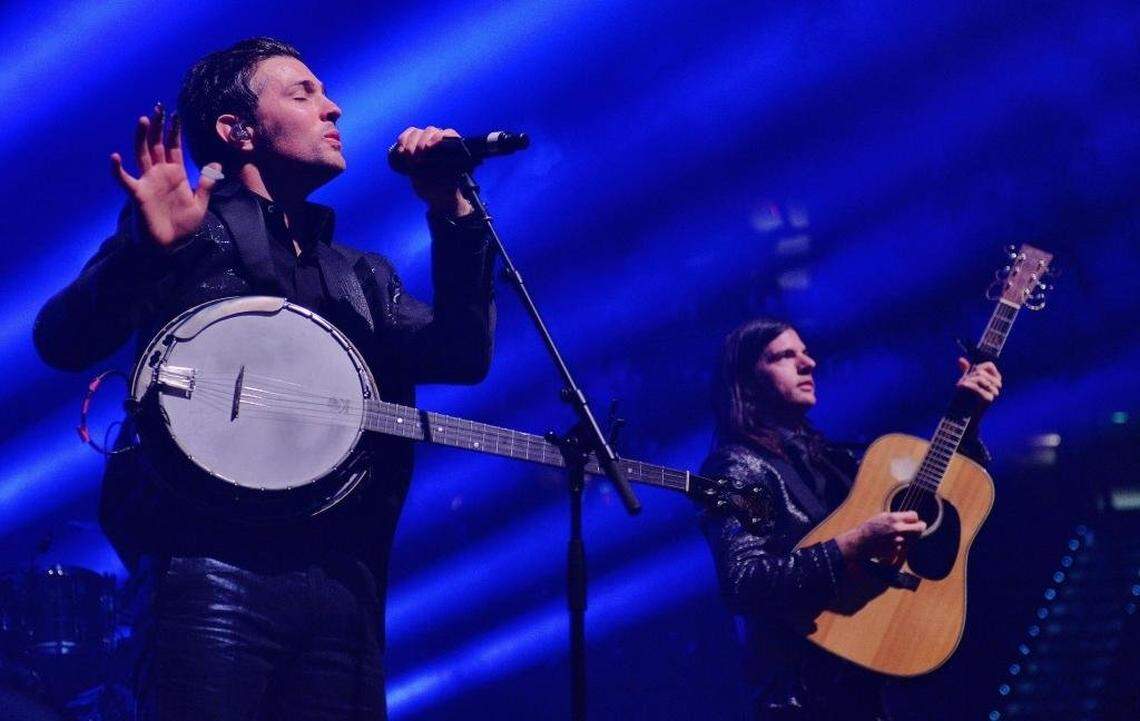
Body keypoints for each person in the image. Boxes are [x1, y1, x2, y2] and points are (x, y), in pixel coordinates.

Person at [33, 37, 496, 720]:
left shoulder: (361, 277)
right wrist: (141, 255)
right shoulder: (187, 233)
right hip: (212, 579)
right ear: (237, 130)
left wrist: (452, 210)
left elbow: (462, 353)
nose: (334, 107)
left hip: (344, 590)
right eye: (303, 93)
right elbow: (61, 339)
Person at [699, 318, 1002, 721]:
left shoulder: (832, 459)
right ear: (747, 380)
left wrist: (968, 417)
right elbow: (742, 582)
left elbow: (933, 494)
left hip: (867, 685)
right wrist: (852, 544)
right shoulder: (736, 467)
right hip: (800, 699)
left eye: (805, 352)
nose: (808, 363)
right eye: (785, 356)